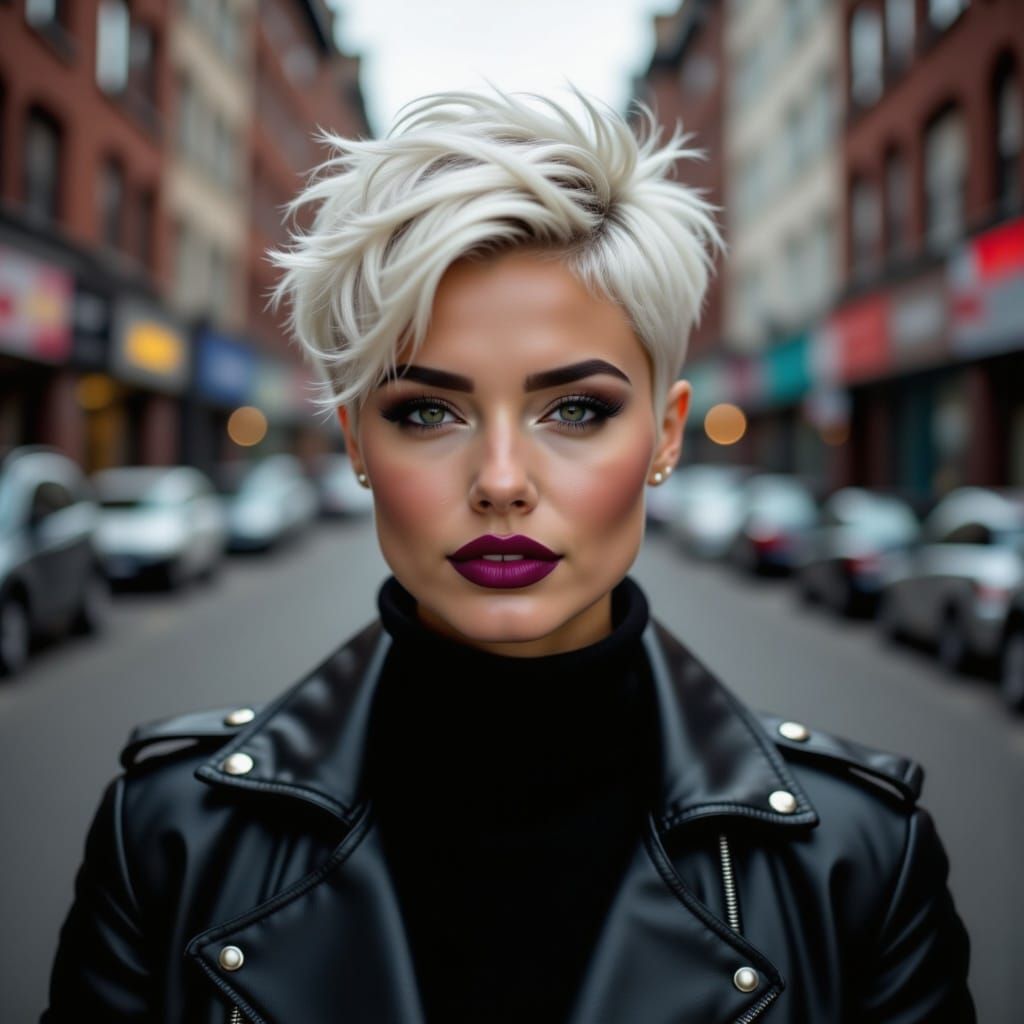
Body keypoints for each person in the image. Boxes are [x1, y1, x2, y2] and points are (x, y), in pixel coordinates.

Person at [43, 88, 974, 1024]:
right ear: (358, 443)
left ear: (665, 435)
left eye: (575, 410)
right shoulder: (167, 840)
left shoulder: (860, 863)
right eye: (426, 412)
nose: (500, 481)